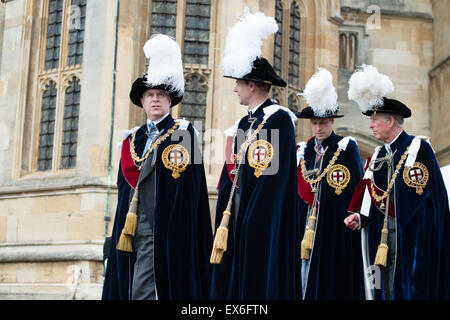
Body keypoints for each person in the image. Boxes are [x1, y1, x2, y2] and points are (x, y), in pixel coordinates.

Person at [102, 34, 212, 300]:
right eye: (149, 95)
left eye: (160, 94)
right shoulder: (132, 138)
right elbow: (122, 188)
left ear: (170, 100)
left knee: (145, 289)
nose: (154, 99)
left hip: (163, 228)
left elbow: (189, 191)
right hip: (130, 226)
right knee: (129, 285)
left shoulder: (182, 135)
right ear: (141, 101)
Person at [209, 9, 300, 299]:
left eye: (238, 82)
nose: (234, 88)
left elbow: (271, 178)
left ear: (251, 85)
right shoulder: (244, 123)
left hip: (261, 219)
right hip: (238, 213)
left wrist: (250, 214)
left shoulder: (278, 120)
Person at [344, 65, 450, 300]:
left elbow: (432, 204)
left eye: (374, 120)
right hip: (378, 239)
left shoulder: (418, 149)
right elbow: (372, 198)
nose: (370, 126)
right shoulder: (378, 156)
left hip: (409, 239)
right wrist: (360, 217)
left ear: (390, 120)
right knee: (380, 286)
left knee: (407, 289)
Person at [295, 68, 364, 300]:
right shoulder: (304, 150)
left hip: (335, 228)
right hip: (306, 223)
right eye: (314, 123)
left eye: (323, 123)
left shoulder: (346, 147)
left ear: (332, 121)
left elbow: (357, 188)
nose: (318, 128)